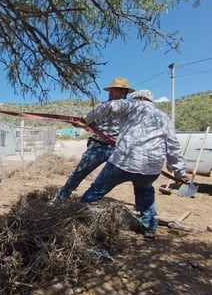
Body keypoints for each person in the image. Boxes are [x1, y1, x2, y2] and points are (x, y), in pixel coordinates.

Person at [72, 89, 189, 239]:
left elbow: (108, 106)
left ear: (139, 98)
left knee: (97, 189)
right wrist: (180, 172)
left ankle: (78, 215)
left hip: (124, 161)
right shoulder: (164, 117)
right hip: (151, 167)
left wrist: (85, 120)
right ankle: (149, 227)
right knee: (145, 192)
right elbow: (173, 146)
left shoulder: (133, 105)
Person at [55, 77, 135, 201]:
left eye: (113, 91)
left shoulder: (131, 109)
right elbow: (93, 125)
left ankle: (90, 199)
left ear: (123, 92)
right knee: (80, 171)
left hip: (117, 148)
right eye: (110, 91)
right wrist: (82, 125)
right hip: (98, 146)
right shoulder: (103, 107)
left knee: (113, 177)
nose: (110, 93)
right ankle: (62, 196)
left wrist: (82, 121)